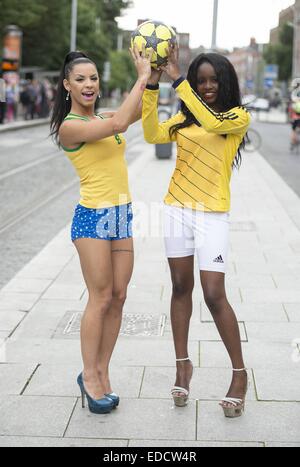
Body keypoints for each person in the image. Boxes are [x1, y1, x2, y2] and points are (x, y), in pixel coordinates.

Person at [142, 45, 250, 418]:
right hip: (176, 211)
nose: (206, 86)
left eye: (212, 80)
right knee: (180, 287)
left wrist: (179, 80)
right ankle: (182, 366)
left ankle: (239, 374)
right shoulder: (185, 121)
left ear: (225, 82)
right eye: (200, 80)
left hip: (212, 216)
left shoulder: (237, 117)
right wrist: (153, 86)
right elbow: (153, 134)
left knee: (214, 292)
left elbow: (214, 124)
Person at [50, 47, 152, 415]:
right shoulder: (71, 127)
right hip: (92, 218)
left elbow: (138, 111)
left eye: (93, 78)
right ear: (67, 86)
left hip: (120, 216)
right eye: (80, 79)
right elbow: (119, 125)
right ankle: (88, 376)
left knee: (120, 296)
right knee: (101, 296)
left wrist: (153, 74)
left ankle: (101, 371)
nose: (88, 84)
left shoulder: (106, 114)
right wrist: (140, 77)